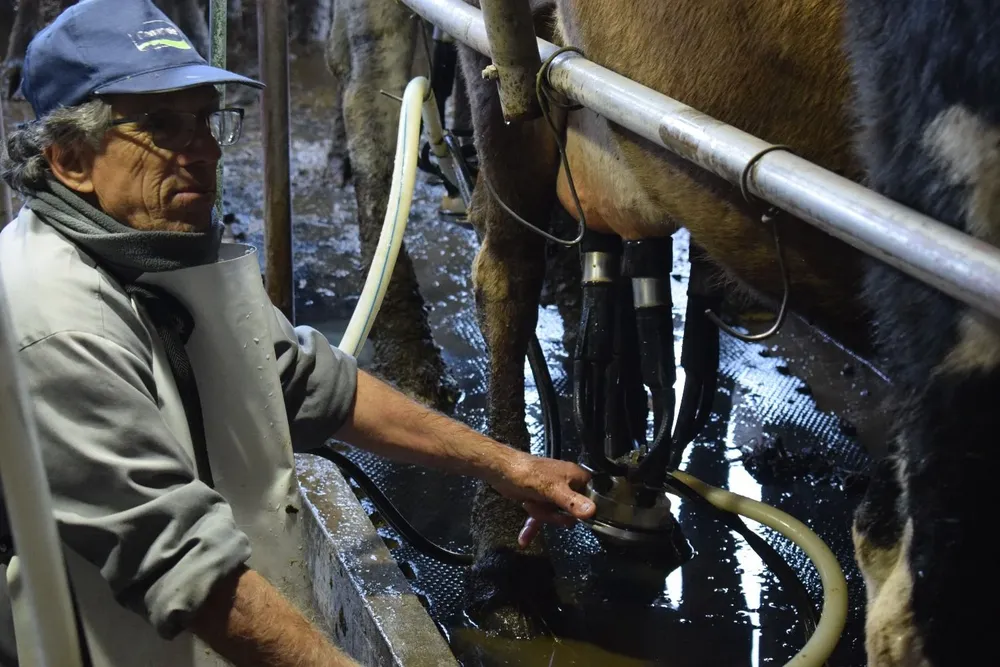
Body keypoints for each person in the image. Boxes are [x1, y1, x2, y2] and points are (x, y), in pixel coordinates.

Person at [0, 1, 596, 665]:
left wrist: (508, 465)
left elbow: (313, 384)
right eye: (161, 126)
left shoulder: (161, 251)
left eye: (205, 119)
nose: (205, 151)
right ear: (71, 161)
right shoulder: (50, 321)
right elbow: (188, 572)